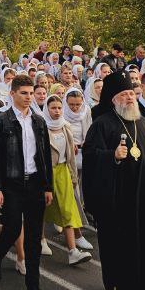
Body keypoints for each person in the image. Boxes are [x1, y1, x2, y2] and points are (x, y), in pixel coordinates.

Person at [81, 71, 145, 290]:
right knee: (121, 248)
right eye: (124, 94)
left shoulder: (144, 122)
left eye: (131, 93)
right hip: (119, 201)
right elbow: (90, 157)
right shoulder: (102, 124)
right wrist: (111, 156)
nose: (130, 97)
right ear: (113, 99)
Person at [0, 74, 54, 290]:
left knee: (34, 238)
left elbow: (44, 156)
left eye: (31, 93)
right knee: (13, 228)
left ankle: (33, 286)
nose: (28, 97)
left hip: (35, 184)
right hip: (11, 185)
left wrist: (47, 186)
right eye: (23, 93)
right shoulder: (1, 121)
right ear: (12, 93)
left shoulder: (39, 121)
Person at [42, 95, 91, 265]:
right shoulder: (41, 128)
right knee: (41, 209)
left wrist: (73, 176)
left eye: (59, 108)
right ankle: (41, 240)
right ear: (47, 109)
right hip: (47, 173)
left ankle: (73, 251)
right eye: (53, 108)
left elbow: (70, 155)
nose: (57, 111)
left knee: (68, 210)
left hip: (63, 172)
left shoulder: (65, 126)